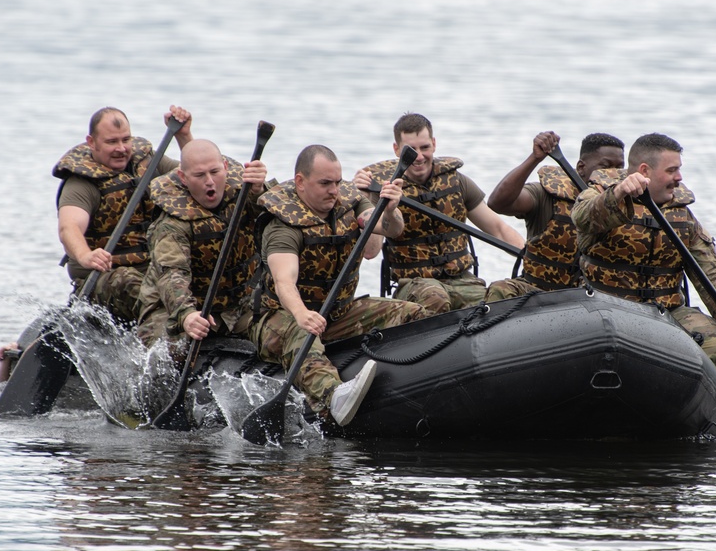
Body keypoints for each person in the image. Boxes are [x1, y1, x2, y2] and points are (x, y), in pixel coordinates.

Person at [571, 133, 716, 424]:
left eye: (679, 170)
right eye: (672, 170)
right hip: (606, 309)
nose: (679, 178)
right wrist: (618, 194)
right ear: (644, 171)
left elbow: (711, 272)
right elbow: (582, 218)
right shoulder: (601, 194)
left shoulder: (682, 215)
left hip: (667, 310)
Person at [249, 145, 428, 426]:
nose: (334, 190)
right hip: (282, 319)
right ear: (300, 182)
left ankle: (422, 375)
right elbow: (285, 282)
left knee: (412, 313)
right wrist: (302, 314)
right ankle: (332, 396)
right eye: (324, 183)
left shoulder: (350, 202)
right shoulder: (282, 222)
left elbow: (389, 228)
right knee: (299, 333)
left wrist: (391, 211)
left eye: (337, 182)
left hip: (337, 313)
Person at [354, 112, 525, 315]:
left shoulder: (457, 182)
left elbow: (498, 229)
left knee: (498, 302)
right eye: (411, 150)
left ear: (434, 144)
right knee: (435, 298)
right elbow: (370, 251)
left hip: (463, 279)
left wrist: (532, 259)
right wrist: (365, 197)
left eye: (425, 147)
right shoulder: (381, 188)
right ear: (396, 149)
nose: (419, 157)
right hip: (415, 284)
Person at [53, 105, 193, 324]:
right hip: (105, 277)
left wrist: (184, 137)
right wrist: (85, 256)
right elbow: (69, 227)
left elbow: (196, 174)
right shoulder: (81, 182)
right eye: (111, 142)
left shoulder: (147, 162)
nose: (121, 148)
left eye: (125, 140)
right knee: (126, 281)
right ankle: (173, 323)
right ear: (92, 142)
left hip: (151, 267)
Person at [136, 139, 268, 349]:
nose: (210, 181)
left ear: (225, 167)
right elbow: (172, 275)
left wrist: (258, 190)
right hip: (172, 309)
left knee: (283, 332)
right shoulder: (171, 224)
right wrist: (186, 315)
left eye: (215, 172)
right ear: (183, 178)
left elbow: (270, 223)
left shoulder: (242, 194)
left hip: (236, 305)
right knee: (169, 355)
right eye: (199, 175)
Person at [484, 131, 625, 301]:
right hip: (538, 291)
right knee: (501, 289)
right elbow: (498, 203)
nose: (613, 174)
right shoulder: (547, 195)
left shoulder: (629, 205)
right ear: (581, 168)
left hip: (592, 299)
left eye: (619, 168)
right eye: (605, 166)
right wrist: (534, 158)